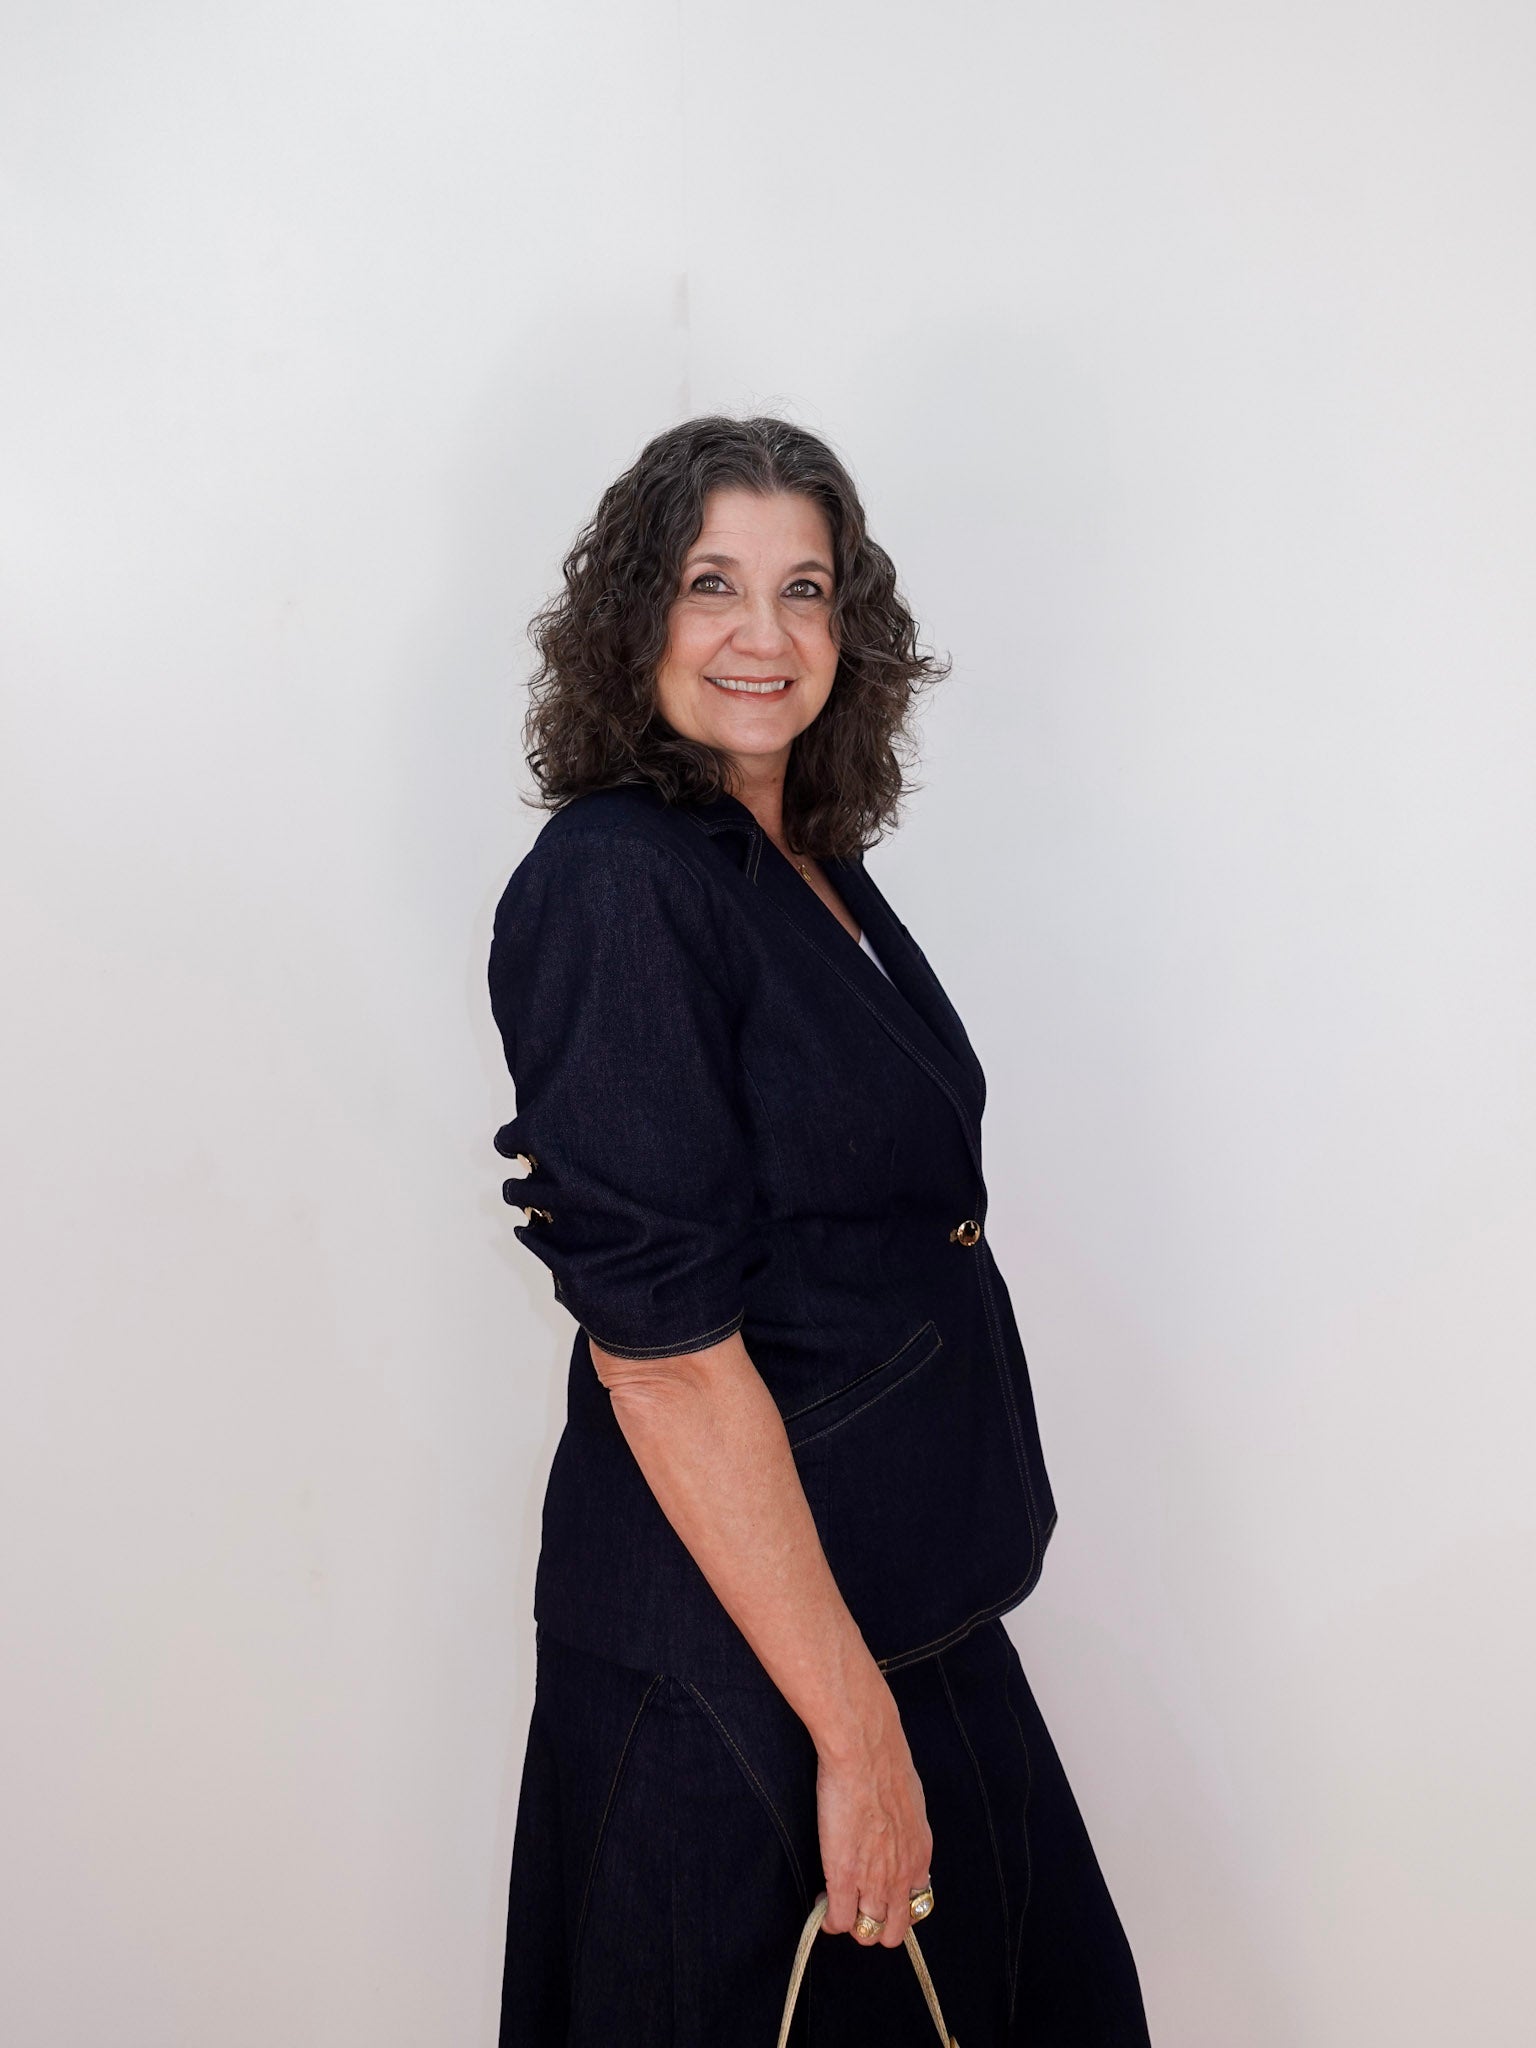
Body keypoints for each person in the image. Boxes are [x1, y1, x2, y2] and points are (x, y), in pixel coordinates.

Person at [487, 415, 1152, 2045]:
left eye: (807, 589)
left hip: (900, 1612)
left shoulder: (804, 863)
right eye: (713, 584)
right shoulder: (618, 880)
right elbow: (661, 1361)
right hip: (744, 1668)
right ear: (636, 616)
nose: (764, 635)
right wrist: (852, 1736)